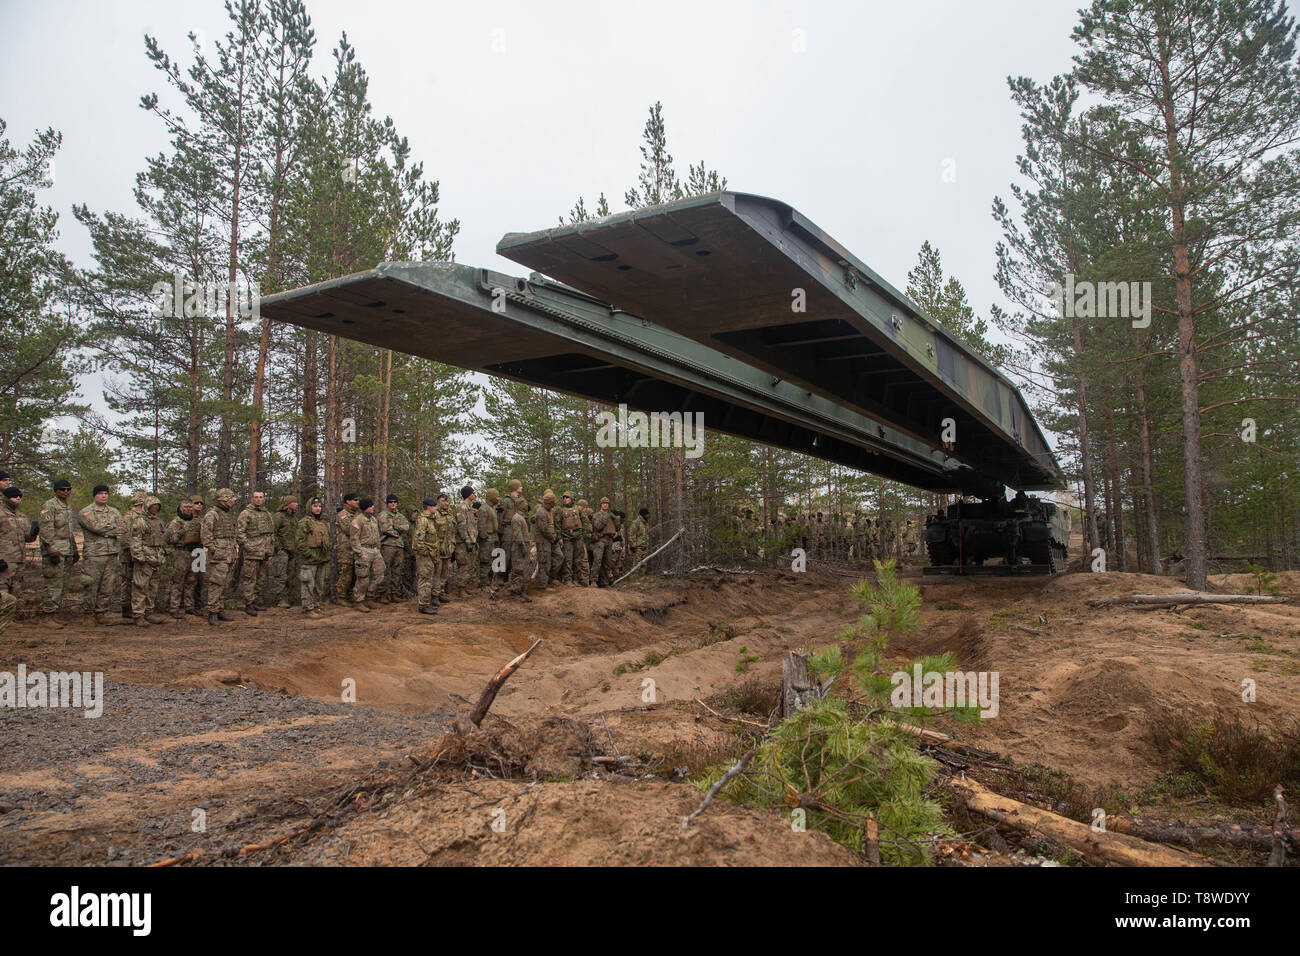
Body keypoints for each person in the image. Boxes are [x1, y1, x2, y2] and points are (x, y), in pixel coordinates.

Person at [78, 485, 126, 626]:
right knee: (91, 585)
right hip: (94, 554)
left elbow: (122, 529)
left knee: (107, 586)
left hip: (111, 553)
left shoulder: (114, 511)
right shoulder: (86, 512)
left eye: (106, 493)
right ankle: (88, 614)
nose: (104, 496)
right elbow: (95, 527)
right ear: (94, 495)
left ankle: (101, 612)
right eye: (100, 493)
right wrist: (111, 528)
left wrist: (105, 530)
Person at [37, 479, 79, 625]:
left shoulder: (67, 507)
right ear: (56, 490)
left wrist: (74, 549)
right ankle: (47, 616)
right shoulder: (49, 505)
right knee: (53, 583)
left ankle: (54, 613)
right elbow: (46, 529)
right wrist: (51, 549)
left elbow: (69, 531)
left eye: (68, 489)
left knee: (62, 583)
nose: (66, 491)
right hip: (55, 550)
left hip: (66, 549)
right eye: (62, 489)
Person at [128, 495, 169, 626]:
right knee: (140, 587)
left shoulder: (158, 522)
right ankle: (138, 614)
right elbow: (135, 541)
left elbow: (163, 540)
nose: (155, 509)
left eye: (157, 507)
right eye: (153, 507)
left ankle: (149, 612)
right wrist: (139, 557)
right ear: (147, 507)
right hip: (145, 559)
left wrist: (163, 555)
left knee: (153, 588)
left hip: (157, 559)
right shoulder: (139, 521)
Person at [201, 488, 238, 625]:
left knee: (225, 583)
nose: (232, 501)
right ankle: (212, 611)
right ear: (223, 499)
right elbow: (206, 534)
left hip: (229, 553)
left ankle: (219, 608)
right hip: (219, 555)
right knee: (216, 583)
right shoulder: (212, 515)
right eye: (230, 499)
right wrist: (213, 549)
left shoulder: (227, 514)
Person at [236, 490, 275, 616]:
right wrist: (248, 546)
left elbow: (271, 532)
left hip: (265, 552)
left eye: (261, 497)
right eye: (256, 497)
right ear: (252, 499)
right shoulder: (246, 514)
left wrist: (270, 548)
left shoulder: (267, 514)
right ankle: (248, 603)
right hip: (252, 552)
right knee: (249, 578)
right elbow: (240, 533)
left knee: (260, 578)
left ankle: (254, 601)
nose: (258, 499)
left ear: (264, 499)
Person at [166, 495, 203, 618]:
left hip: (195, 552)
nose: (187, 509)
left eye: (189, 507)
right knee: (178, 580)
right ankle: (174, 607)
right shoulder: (176, 522)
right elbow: (171, 540)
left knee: (192, 581)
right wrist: (182, 532)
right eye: (185, 507)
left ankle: (189, 606)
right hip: (181, 552)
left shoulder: (196, 521)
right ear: (180, 508)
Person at [295, 497, 331, 618]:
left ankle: (316, 604)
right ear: (310, 507)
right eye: (315, 506)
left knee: (319, 584)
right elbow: (300, 541)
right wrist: (308, 553)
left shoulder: (323, 523)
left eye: (320, 506)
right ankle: (307, 608)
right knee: (308, 583)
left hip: (322, 557)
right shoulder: (305, 522)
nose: (318, 509)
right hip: (310, 558)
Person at [0, 487, 29, 626]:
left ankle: (11, 618)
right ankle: (2, 618)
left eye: (19, 496)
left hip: (19, 558)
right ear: (6, 498)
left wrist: (33, 532)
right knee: (2, 588)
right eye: (14, 496)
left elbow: (27, 537)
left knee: (16, 587)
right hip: (4, 558)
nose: (18, 499)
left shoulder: (21, 516)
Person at [349, 498, 385, 611]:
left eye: (373, 505)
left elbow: (377, 535)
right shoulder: (357, 520)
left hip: (375, 550)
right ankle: (358, 601)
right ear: (365, 508)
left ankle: (369, 597)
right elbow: (354, 539)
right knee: (363, 577)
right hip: (364, 551)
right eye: (370, 506)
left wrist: (378, 549)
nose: (373, 508)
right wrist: (360, 553)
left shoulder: (374, 520)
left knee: (380, 574)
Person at [377, 494, 409, 603]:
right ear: (387, 504)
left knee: (397, 570)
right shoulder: (383, 515)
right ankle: (383, 594)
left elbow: (406, 527)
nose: (393, 504)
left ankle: (395, 593)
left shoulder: (400, 516)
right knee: (385, 570)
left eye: (395, 502)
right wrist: (397, 532)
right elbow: (386, 529)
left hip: (399, 546)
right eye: (390, 502)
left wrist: (396, 527)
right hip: (387, 545)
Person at [270, 495, 300, 608]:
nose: (297, 504)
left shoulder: (294, 517)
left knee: (290, 575)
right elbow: (273, 532)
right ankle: (279, 599)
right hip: (282, 551)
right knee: (280, 576)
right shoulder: (279, 516)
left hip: (292, 550)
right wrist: (278, 548)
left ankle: (288, 597)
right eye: (294, 502)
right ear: (288, 504)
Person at [411, 498, 440, 615]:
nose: (436, 508)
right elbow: (418, 540)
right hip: (425, 555)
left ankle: (426, 602)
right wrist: (426, 552)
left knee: (428, 579)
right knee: (425, 579)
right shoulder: (423, 521)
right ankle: (423, 605)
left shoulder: (430, 520)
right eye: (435, 506)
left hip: (430, 554)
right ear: (429, 507)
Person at [334, 492, 360, 605]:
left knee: (355, 573)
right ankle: (341, 596)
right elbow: (349, 530)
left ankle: (350, 596)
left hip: (355, 548)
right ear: (348, 501)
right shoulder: (342, 515)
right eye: (355, 500)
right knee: (345, 573)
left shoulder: (357, 514)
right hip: (345, 549)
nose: (357, 502)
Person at [453, 485, 478, 598]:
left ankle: (465, 587)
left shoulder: (469, 508)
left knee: (469, 566)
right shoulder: (461, 508)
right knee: (463, 565)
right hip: (463, 543)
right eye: (473, 493)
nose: (474, 494)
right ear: (468, 494)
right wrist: (467, 539)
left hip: (470, 541)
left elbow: (471, 526)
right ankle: (460, 589)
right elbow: (461, 526)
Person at [531, 489, 559, 590]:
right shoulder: (541, 512)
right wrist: (553, 538)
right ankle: (543, 585)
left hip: (548, 539)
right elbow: (544, 529)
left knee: (556, 558)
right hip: (543, 540)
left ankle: (547, 580)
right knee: (544, 562)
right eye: (552, 503)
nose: (554, 505)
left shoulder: (549, 511)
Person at [432, 493, 455, 603]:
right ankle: (434, 595)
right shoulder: (434, 514)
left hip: (448, 548)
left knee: (445, 572)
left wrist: (452, 544)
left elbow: (453, 530)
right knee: (437, 572)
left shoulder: (450, 514)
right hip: (437, 548)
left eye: (447, 501)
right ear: (438, 502)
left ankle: (441, 592)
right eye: (443, 501)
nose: (445, 503)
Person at [556, 492, 584, 585]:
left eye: (567, 497)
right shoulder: (561, 510)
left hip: (578, 536)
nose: (565, 499)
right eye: (564, 497)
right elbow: (558, 525)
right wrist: (559, 537)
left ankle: (576, 579)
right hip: (567, 537)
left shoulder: (579, 509)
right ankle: (567, 579)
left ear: (571, 498)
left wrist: (586, 534)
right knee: (568, 559)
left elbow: (585, 522)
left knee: (578, 559)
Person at [590, 497, 616, 587]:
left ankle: (604, 583)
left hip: (610, 540)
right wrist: (605, 517)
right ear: (601, 504)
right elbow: (597, 526)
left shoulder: (610, 515)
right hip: (600, 540)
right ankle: (593, 581)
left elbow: (617, 528)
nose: (605, 505)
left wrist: (616, 519)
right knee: (597, 560)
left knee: (607, 562)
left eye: (607, 503)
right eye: (603, 503)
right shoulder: (597, 515)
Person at [477, 488, 500, 588]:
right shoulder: (483, 508)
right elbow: (481, 525)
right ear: (491, 497)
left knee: (493, 561)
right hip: (487, 539)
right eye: (496, 497)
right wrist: (484, 537)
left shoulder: (492, 508)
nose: (498, 499)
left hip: (493, 537)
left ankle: (490, 582)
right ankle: (484, 584)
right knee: (485, 561)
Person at [628, 507, 650, 577]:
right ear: (643, 514)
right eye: (647, 514)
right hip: (638, 548)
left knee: (644, 564)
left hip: (645, 546)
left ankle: (641, 578)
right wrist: (633, 546)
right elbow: (631, 535)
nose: (648, 516)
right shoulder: (636, 523)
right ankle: (633, 578)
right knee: (636, 564)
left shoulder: (645, 523)